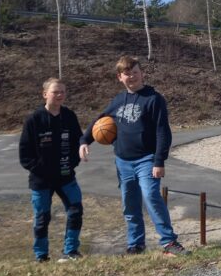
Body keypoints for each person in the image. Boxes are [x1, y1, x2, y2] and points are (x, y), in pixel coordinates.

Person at [79, 56, 187, 256]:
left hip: (147, 159)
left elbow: (163, 132)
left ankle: (169, 242)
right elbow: (100, 121)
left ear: (141, 73)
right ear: (120, 77)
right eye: (127, 74)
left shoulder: (154, 99)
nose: (132, 77)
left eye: (135, 72)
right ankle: (136, 245)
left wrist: (159, 160)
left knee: (151, 196)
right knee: (130, 204)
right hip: (123, 162)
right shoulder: (118, 100)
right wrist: (85, 140)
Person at [19, 78, 84, 262]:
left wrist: (72, 163)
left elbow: (78, 143)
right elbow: (24, 154)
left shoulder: (69, 116)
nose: (59, 95)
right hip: (41, 180)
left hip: (66, 177)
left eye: (62, 91)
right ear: (45, 94)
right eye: (55, 92)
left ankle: (71, 251)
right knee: (42, 217)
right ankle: (41, 256)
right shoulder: (34, 119)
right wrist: (39, 169)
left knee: (76, 211)